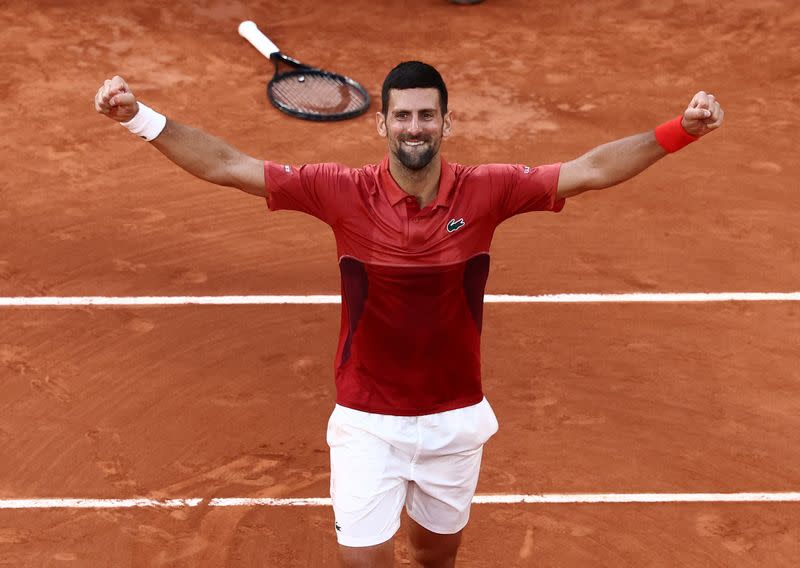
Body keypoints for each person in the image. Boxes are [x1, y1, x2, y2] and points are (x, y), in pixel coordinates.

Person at [94, 61, 723, 567]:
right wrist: (138, 117)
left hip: (455, 419)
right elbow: (228, 166)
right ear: (384, 126)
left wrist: (681, 131)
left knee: (433, 555)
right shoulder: (341, 192)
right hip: (368, 420)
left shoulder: (488, 189)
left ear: (446, 122)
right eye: (403, 116)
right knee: (363, 559)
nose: (414, 127)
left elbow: (588, 171)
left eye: (426, 115)